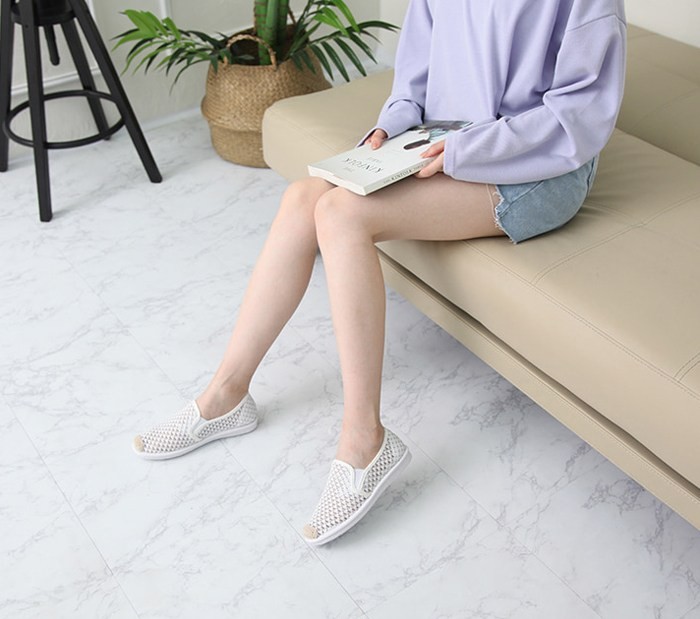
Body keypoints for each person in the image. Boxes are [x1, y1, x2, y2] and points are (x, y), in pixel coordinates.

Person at [133, 0, 627, 546]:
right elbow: (415, 78)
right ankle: (226, 395)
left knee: (341, 215)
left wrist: (466, 147)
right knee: (303, 200)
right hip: (440, 143)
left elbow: (579, 116)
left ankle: (365, 440)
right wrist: (390, 128)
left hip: (538, 165)